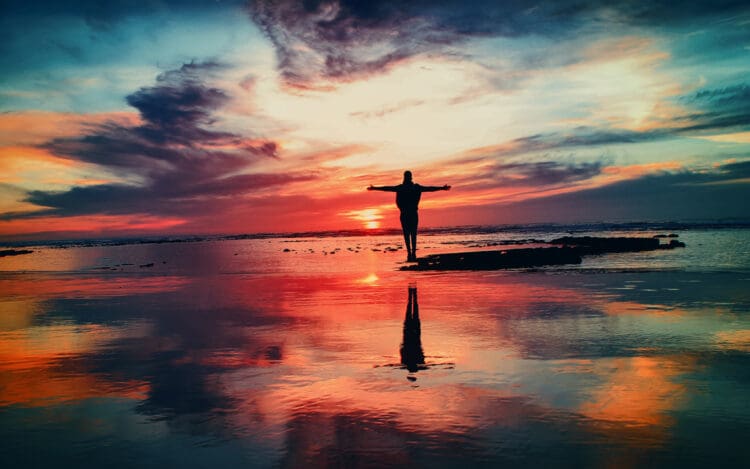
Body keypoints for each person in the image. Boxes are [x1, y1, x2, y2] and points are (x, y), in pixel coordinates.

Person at [368, 170, 450, 262]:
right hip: (410, 213)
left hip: (406, 213)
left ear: (406, 177)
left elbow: (429, 188)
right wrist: (375, 188)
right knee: (412, 233)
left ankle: (410, 252)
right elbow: (388, 188)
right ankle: (412, 252)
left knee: (408, 233)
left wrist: (441, 188)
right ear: (410, 177)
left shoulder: (405, 187)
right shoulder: (413, 187)